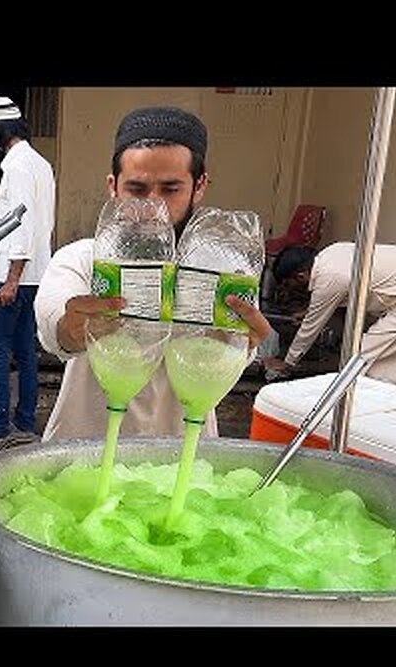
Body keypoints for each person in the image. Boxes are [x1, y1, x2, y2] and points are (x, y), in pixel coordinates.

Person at [35, 106, 272, 441]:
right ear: (113, 186)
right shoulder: (81, 260)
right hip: (81, 460)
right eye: (137, 189)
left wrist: (241, 345)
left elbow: (229, 353)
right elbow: (54, 323)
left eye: (170, 189)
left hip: (183, 465)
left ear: (199, 186)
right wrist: (72, 328)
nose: (154, 208)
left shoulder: (223, 275)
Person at [0, 97, 55, 451]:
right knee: (26, 352)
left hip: (16, 275)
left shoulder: (18, 167)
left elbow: (22, 223)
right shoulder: (41, 164)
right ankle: (25, 422)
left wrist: (11, 279)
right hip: (37, 275)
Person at [264, 242, 396, 387]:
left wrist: (288, 363)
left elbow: (309, 329)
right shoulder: (330, 253)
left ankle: (358, 393)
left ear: (301, 276)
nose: (290, 289)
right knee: (394, 351)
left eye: (288, 284)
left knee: (364, 352)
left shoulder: (328, 279)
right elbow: (340, 296)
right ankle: (389, 388)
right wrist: (309, 313)